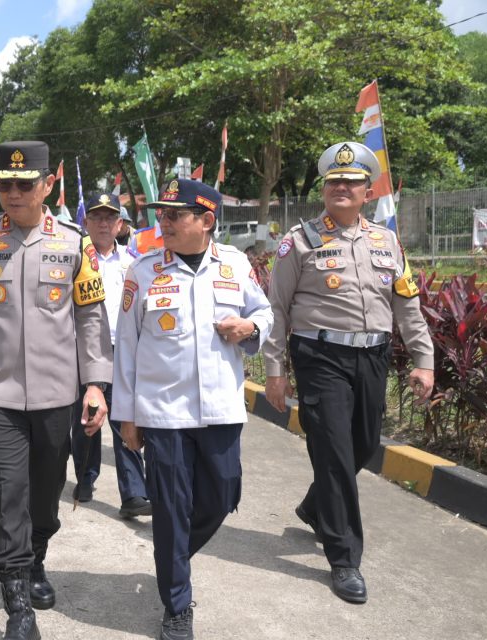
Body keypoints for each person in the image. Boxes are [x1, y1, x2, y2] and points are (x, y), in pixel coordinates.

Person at [0, 141, 111, 640]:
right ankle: (17, 601)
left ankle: (37, 556)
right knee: (8, 494)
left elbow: (91, 320)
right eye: (4, 184)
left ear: (47, 185)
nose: (13, 193)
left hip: (59, 396)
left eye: (24, 184)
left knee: (47, 497)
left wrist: (96, 385)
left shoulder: (75, 245)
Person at [263, 141, 434, 604]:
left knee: (360, 446)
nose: (342, 187)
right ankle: (344, 558)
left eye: (352, 182)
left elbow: (408, 304)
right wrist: (275, 371)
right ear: (324, 189)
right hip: (320, 358)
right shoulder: (297, 241)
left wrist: (424, 360)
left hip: (372, 357)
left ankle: (315, 507)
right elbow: (277, 309)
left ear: (367, 191)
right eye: (334, 181)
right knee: (336, 453)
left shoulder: (387, 241)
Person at [113, 179, 273, 640]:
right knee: (170, 509)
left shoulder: (235, 264)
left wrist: (249, 326)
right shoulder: (142, 272)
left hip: (221, 407)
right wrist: (129, 415)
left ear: (206, 220)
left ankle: (173, 557)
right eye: (161, 214)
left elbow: (265, 313)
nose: (162, 222)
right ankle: (177, 605)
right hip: (162, 413)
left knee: (221, 497)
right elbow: (126, 347)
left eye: (174, 215)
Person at [70, 192, 151, 518]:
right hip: (85, 351)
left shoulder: (134, 262)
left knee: (124, 418)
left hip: (123, 350)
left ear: (119, 224)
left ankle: (133, 493)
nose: (103, 223)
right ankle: (86, 477)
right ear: (86, 222)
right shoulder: (76, 259)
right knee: (87, 419)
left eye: (110, 218)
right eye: (96, 217)